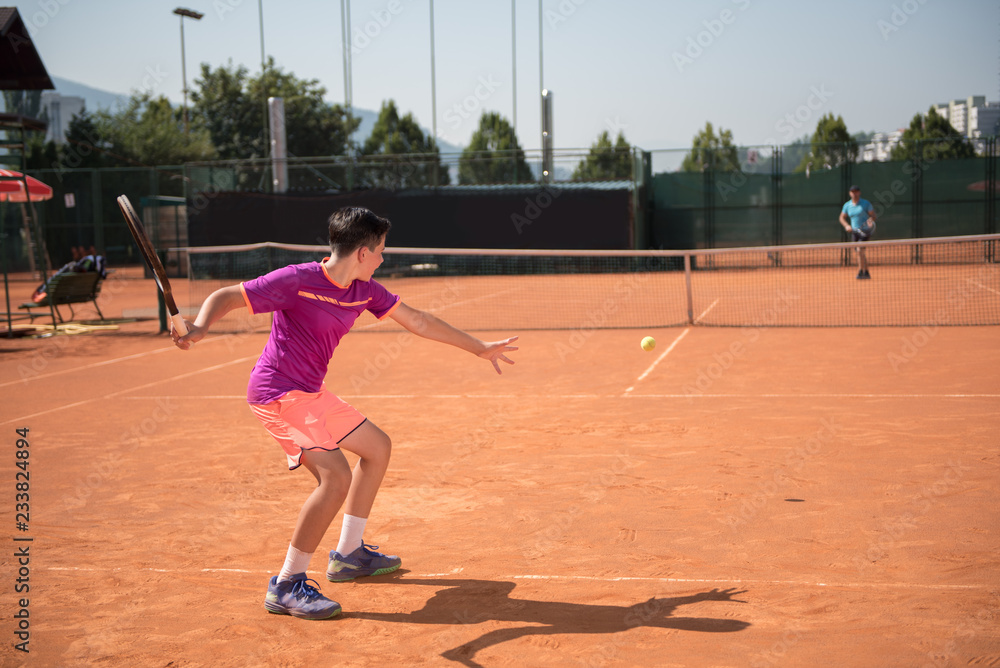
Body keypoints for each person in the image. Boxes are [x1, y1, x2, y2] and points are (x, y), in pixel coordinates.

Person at [171, 207, 518, 620]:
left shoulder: (364, 290)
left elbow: (419, 321)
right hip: (276, 393)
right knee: (335, 476)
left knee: (377, 447)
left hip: (310, 393)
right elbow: (229, 296)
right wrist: (202, 326)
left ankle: (350, 554)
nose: (384, 259)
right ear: (363, 252)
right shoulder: (297, 280)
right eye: (382, 251)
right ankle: (286, 584)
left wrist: (479, 347)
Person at [839, 185, 877, 279]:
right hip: (854, 232)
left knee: (860, 250)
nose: (854, 194)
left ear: (859, 192)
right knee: (860, 252)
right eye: (852, 192)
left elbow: (873, 216)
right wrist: (847, 226)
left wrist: (870, 220)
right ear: (850, 193)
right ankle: (866, 271)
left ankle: (861, 272)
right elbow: (841, 218)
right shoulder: (847, 205)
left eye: (856, 191)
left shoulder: (865, 203)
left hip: (865, 231)